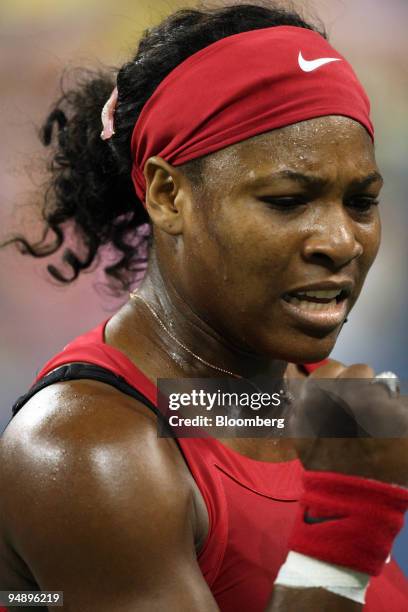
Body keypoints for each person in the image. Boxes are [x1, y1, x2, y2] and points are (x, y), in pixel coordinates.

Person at [0, 3, 407, 611]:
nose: (341, 242)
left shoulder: (319, 400)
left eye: (361, 202)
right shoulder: (86, 448)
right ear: (168, 195)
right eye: (288, 200)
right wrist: (351, 517)